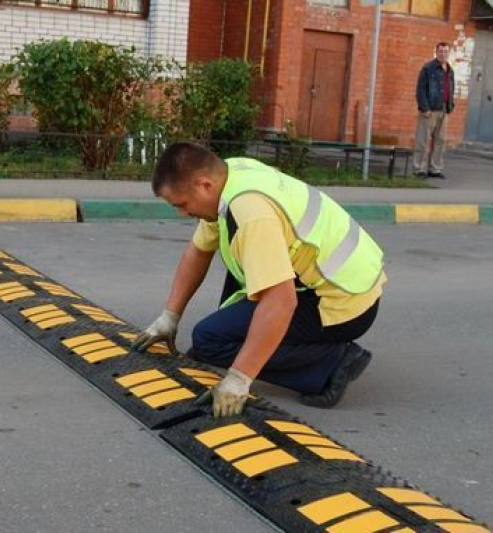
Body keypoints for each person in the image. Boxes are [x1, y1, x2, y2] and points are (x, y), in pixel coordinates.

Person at [132, 142, 386, 418]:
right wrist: (169, 317)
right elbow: (198, 251)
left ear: (204, 185)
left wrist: (239, 379)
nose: (182, 213)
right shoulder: (231, 176)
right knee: (219, 330)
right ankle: (292, 351)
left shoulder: (250, 211)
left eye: (181, 205)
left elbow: (281, 300)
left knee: (209, 342)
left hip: (342, 303)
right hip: (338, 281)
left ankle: (333, 362)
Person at [413, 42, 455, 179]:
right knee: (423, 140)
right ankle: (419, 169)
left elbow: (451, 88)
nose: (443, 54)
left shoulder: (450, 70)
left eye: (446, 51)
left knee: (440, 140)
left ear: (449, 53)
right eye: (440, 51)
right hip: (429, 110)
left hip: (444, 109)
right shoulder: (428, 68)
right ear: (436, 52)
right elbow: (420, 89)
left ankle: (435, 169)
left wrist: (450, 105)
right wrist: (424, 108)